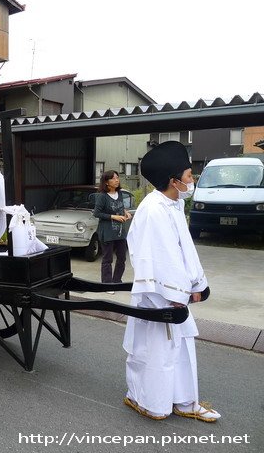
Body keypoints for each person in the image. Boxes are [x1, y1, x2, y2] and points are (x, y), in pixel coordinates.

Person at [123, 141, 221, 422]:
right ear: (173, 180)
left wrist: (198, 283)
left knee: (178, 350)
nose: (191, 181)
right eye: (189, 176)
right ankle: (149, 401)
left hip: (174, 291)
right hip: (160, 294)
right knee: (156, 352)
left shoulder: (173, 203)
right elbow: (162, 258)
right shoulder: (153, 209)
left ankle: (183, 401)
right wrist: (182, 293)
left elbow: (184, 249)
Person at [93, 170, 132, 293]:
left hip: (120, 232)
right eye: (113, 178)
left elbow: (120, 206)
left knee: (122, 258)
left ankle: (116, 282)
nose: (117, 180)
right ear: (106, 182)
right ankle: (107, 284)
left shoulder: (120, 193)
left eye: (117, 178)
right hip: (107, 232)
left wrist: (125, 212)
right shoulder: (102, 196)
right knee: (107, 259)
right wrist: (113, 217)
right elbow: (96, 213)